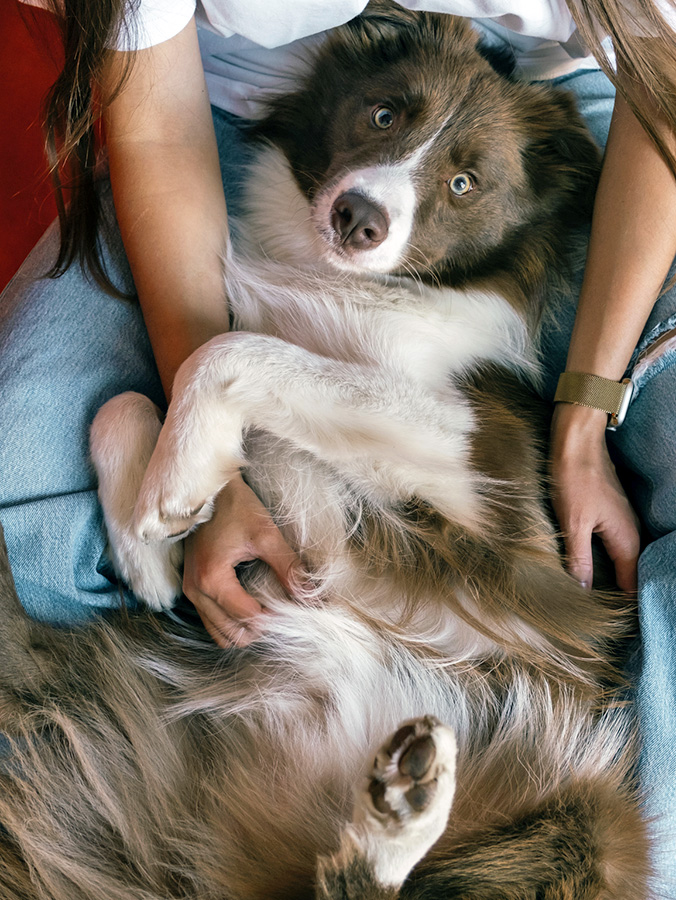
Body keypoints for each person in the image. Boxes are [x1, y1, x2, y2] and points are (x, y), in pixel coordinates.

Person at [2, 0, 675, 890]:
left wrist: (585, 416)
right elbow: (156, 125)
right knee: (35, 450)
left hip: (598, 125)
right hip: (252, 108)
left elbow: (665, 103)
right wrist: (200, 452)